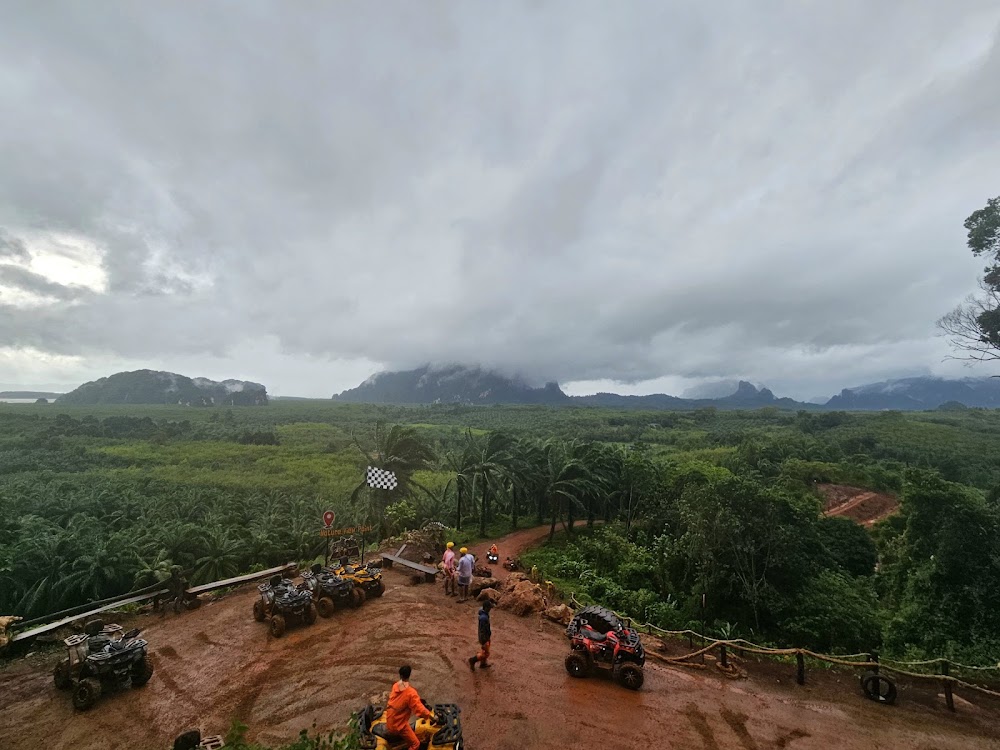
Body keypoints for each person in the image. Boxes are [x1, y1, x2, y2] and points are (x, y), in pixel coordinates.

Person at [385, 665, 434, 750]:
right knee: (416, 744)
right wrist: (431, 716)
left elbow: (404, 700)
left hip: (391, 718)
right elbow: (420, 709)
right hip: (398, 724)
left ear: (400, 675)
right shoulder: (411, 693)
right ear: (409, 675)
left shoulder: (395, 686)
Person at [468, 599, 493, 670]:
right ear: (486, 607)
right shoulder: (483, 618)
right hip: (484, 638)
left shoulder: (483, 615)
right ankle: (473, 660)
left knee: (484, 651)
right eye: (489, 608)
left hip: (486, 637)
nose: (490, 609)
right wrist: (485, 641)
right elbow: (483, 631)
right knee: (486, 653)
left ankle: (483, 664)